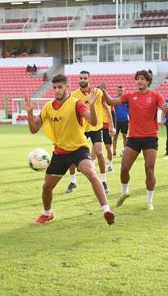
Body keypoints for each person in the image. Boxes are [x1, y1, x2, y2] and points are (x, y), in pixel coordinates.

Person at [24, 74, 115, 226]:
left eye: (60, 87)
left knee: (90, 172)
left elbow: (93, 121)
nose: (57, 90)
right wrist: (29, 112)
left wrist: (92, 105)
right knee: (47, 187)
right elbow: (34, 129)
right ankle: (47, 214)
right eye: (54, 87)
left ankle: (106, 210)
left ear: (67, 87)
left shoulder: (76, 103)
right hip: (60, 152)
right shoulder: (48, 107)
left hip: (79, 149)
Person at [102, 70, 168, 210]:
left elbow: (166, 111)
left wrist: (167, 110)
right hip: (133, 138)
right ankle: (125, 191)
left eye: (143, 79)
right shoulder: (129, 95)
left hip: (150, 138)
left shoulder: (155, 95)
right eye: (138, 79)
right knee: (124, 168)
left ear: (148, 82)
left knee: (149, 169)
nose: (140, 81)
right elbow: (111, 101)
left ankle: (149, 201)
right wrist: (103, 91)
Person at [66, 71, 115, 194]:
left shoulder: (98, 92)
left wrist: (111, 126)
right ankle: (72, 181)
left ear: (89, 79)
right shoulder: (73, 95)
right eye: (80, 78)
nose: (82, 80)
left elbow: (106, 108)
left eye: (84, 78)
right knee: (71, 154)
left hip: (96, 127)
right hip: (80, 128)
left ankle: (103, 180)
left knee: (99, 152)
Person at [113, 86, 129, 157]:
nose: (120, 92)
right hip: (117, 121)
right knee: (115, 136)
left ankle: (125, 151)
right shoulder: (115, 100)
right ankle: (114, 151)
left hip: (125, 121)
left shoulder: (126, 100)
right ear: (117, 91)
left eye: (121, 91)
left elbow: (129, 111)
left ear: (123, 91)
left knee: (124, 136)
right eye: (119, 91)